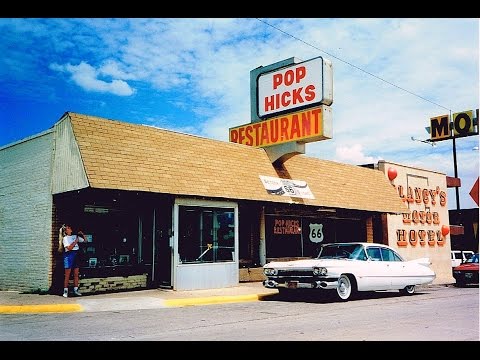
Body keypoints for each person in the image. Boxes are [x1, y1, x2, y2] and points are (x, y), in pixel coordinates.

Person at [60, 224, 86, 297]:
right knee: (67, 274)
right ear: (66, 230)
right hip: (69, 255)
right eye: (68, 228)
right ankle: (65, 291)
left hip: (76, 255)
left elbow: (85, 241)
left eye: (70, 227)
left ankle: (76, 290)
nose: (70, 229)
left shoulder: (75, 236)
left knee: (76, 274)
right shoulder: (65, 238)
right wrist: (75, 242)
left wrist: (82, 234)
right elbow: (69, 248)